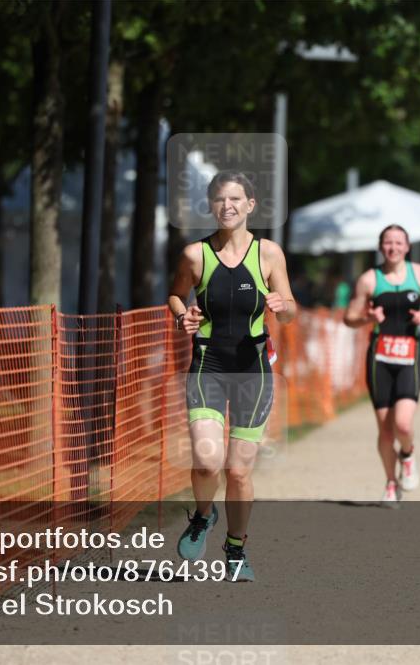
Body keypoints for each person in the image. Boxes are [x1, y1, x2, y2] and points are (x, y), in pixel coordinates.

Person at [168, 171, 296, 581]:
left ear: (250, 205)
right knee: (207, 462)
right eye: (220, 199)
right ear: (211, 206)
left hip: (252, 371)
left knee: (238, 471)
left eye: (236, 199)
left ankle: (236, 548)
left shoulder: (269, 254)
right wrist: (181, 315)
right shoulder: (195, 255)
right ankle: (204, 516)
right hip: (208, 366)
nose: (228, 206)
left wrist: (283, 306)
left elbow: (291, 308)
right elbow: (175, 295)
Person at [344, 225, 420, 507]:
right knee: (386, 430)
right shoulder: (369, 280)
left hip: (409, 355)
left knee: (403, 423)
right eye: (388, 242)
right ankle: (391, 482)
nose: (393, 248)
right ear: (380, 247)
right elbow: (349, 317)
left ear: (407, 246)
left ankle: (408, 454)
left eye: (399, 242)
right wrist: (368, 317)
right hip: (380, 358)